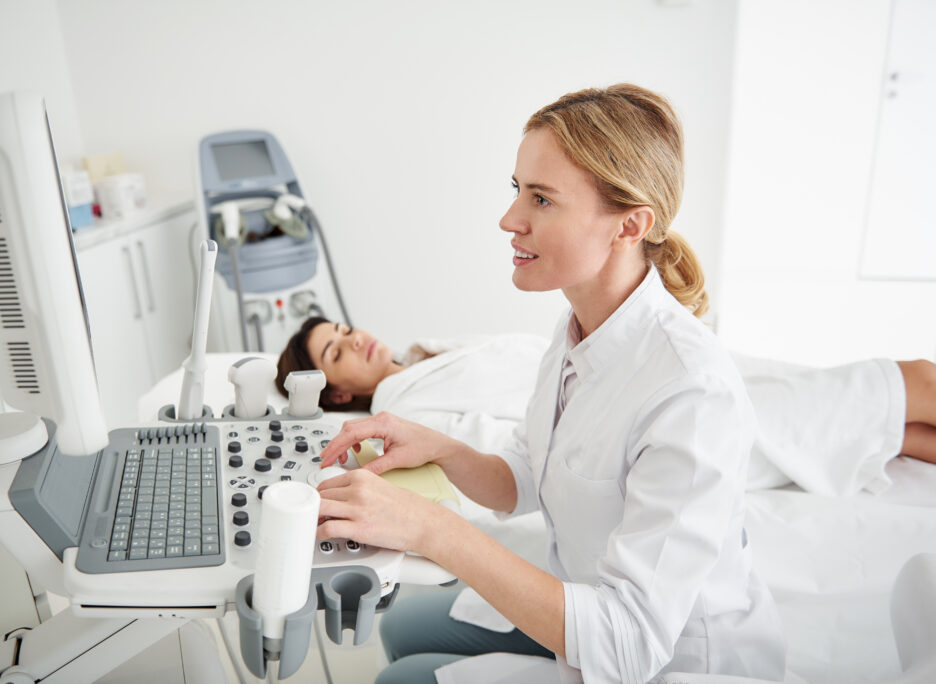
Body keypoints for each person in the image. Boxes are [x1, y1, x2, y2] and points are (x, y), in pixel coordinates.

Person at [311, 85, 787, 683]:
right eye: (517, 190)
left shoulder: (691, 394)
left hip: (663, 659)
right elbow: (529, 477)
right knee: (401, 629)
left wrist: (433, 528)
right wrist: (443, 449)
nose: (510, 220)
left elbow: (632, 643)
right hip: (588, 600)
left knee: (398, 678)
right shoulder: (575, 332)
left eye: (541, 199)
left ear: (629, 226)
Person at [277, 316, 936, 496]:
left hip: (640, 373)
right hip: (639, 410)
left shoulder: (424, 355)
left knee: (892, 429)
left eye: (341, 329)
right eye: (337, 353)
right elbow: (490, 433)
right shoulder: (402, 397)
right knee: (909, 383)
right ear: (338, 394)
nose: (353, 338)